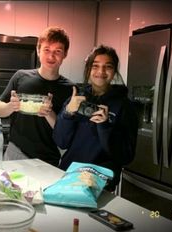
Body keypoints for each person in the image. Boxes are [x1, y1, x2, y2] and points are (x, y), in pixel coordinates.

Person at [53, 45, 138, 191]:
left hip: (100, 181)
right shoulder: (76, 99)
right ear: (88, 69)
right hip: (69, 175)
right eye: (95, 66)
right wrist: (68, 113)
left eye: (108, 67)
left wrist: (104, 127)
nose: (101, 72)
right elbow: (61, 142)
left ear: (114, 71)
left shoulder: (125, 106)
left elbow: (126, 156)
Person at [0, 26, 73, 166]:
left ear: (65, 54)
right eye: (46, 49)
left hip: (48, 159)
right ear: (38, 51)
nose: (51, 56)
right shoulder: (20, 76)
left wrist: (50, 114)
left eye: (58, 51)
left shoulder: (70, 89)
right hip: (16, 154)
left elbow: (65, 133)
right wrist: (10, 106)